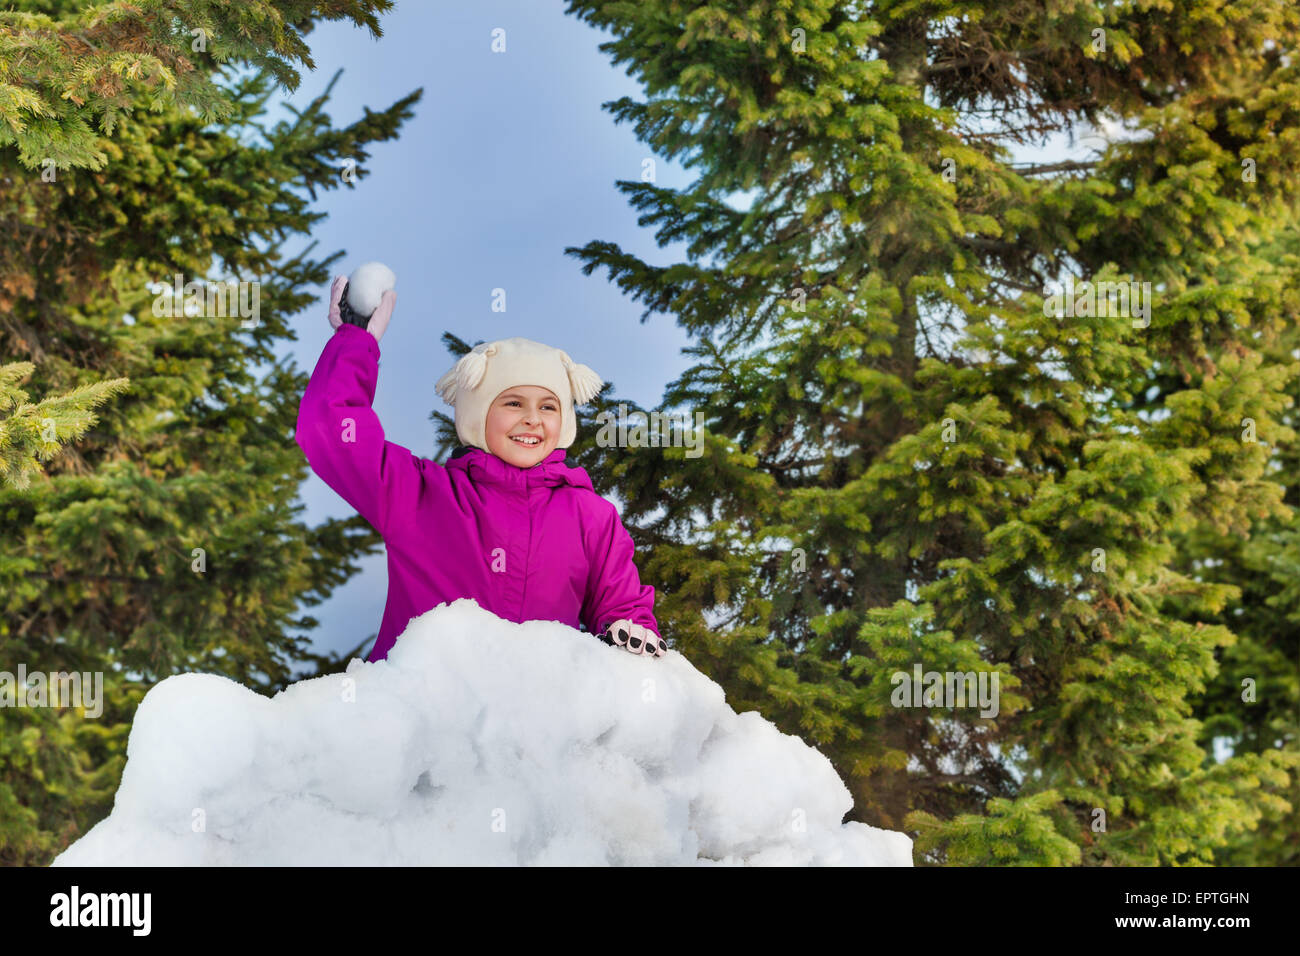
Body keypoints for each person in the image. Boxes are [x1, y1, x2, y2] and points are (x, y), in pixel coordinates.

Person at [295, 275, 665, 663]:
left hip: (539, 717)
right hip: (417, 713)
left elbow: (621, 608)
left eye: (548, 406)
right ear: (477, 414)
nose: (532, 420)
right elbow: (330, 431)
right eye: (512, 403)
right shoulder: (419, 494)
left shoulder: (591, 518)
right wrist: (354, 342)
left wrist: (630, 631)